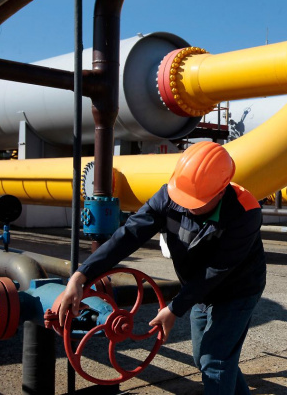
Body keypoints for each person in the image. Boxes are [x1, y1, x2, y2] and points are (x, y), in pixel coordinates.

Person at [58, 141, 266, 394]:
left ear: (221, 191)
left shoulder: (245, 211)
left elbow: (217, 270)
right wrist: (81, 275)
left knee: (215, 360)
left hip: (237, 290)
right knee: (206, 358)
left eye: (197, 202)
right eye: (184, 198)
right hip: (198, 290)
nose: (187, 206)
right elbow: (128, 235)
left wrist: (174, 308)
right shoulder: (169, 196)